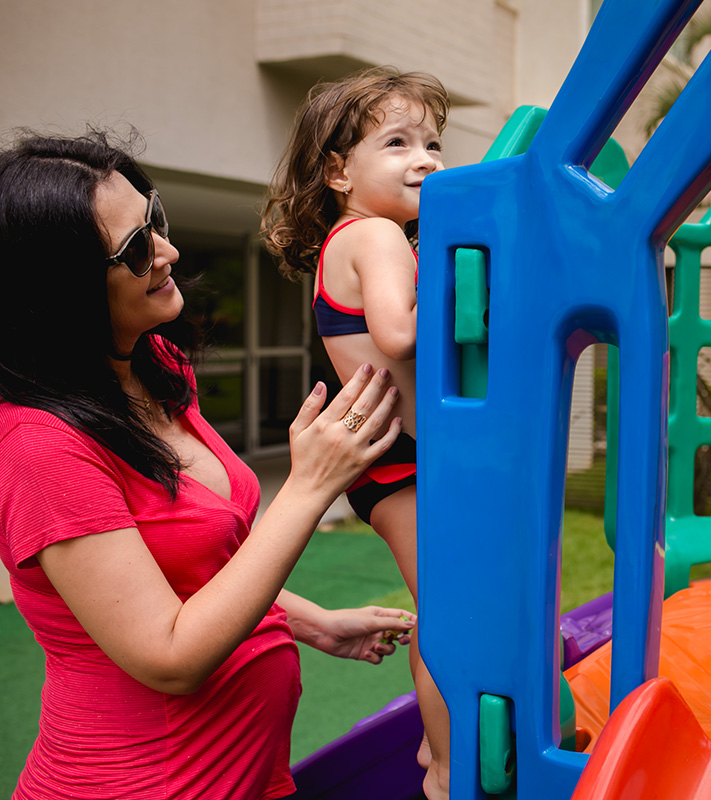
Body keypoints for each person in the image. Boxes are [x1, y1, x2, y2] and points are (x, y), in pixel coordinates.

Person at [0, 129, 415, 800]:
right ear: (61, 288)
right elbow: (168, 657)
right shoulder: (38, 447)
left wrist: (310, 622)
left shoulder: (156, 367)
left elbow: (192, 567)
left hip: (248, 776)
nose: (168, 251)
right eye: (136, 248)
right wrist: (308, 487)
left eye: (154, 218)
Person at [262, 66, 451, 799]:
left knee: (451, 596)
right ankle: (440, 762)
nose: (425, 158)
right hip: (398, 460)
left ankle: (441, 753)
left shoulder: (358, 236)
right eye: (398, 142)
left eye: (433, 142)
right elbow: (399, 335)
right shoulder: (375, 236)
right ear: (339, 171)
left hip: (392, 462)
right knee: (450, 606)